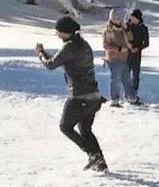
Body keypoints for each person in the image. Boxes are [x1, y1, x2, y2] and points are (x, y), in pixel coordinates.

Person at [35, 15, 107, 172]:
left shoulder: (69, 47)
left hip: (79, 96)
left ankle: (92, 155)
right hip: (94, 96)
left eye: (58, 32)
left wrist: (40, 53)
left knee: (65, 126)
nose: (57, 35)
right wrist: (45, 53)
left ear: (66, 32)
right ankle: (100, 161)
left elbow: (50, 64)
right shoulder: (83, 44)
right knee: (85, 129)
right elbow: (59, 61)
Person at [103, 8, 140, 107]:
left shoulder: (123, 29)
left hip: (124, 58)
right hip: (114, 58)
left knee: (127, 79)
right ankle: (114, 100)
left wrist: (127, 29)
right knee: (116, 79)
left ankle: (131, 98)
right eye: (120, 19)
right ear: (115, 18)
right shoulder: (109, 30)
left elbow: (130, 38)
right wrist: (119, 49)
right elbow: (106, 45)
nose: (122, 21)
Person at [126, 8, 150, 97]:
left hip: (136, 55)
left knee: (135, 74)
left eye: (133, 17)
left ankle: (134, 93)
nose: (131, 18)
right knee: (126, 73)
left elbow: (146, 43)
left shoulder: (143, 28)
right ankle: (127, 92)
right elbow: (122, 37)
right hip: (127, 53)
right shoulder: (127, 26)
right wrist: (127, 44)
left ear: (137, 18)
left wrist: (138, 48)